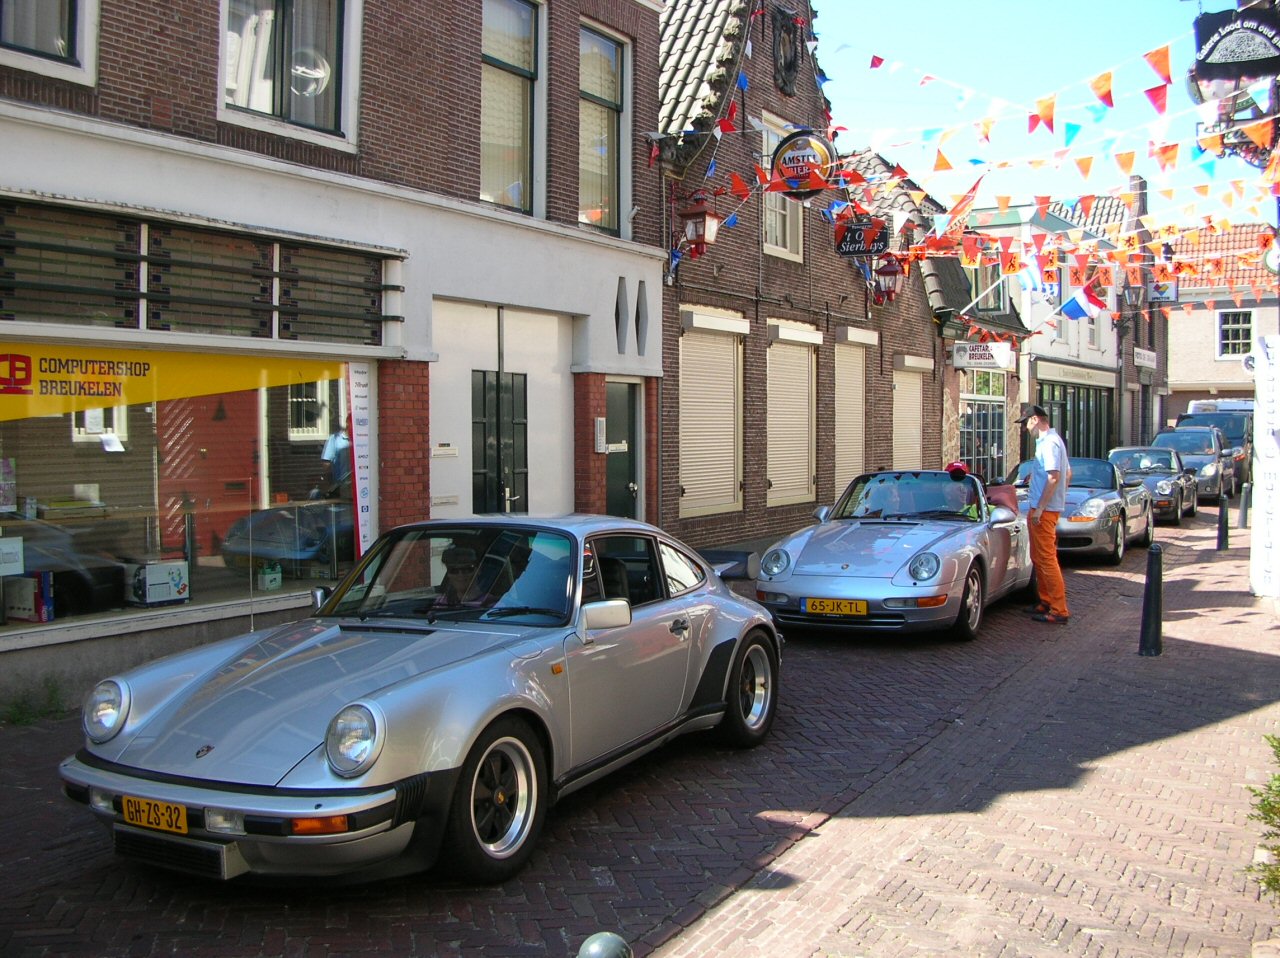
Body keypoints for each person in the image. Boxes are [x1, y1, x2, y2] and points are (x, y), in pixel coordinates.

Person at [1017, 403, 1070, 625]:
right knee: (1039, 557)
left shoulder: (1049, 443)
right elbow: (1067, 474)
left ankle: (1059, 609)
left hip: (1043, 511)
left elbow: (1054, 476)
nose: (1026, 428)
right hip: (1046, 508)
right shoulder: (1051, 442)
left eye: (1026, 423)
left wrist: (1041, 507)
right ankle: (1046, 601)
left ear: (1035, 420)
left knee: (1047, 559)